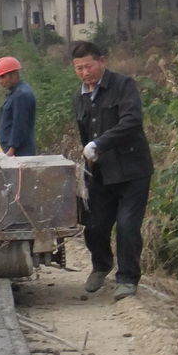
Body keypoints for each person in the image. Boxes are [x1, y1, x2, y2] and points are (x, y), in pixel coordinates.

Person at [70, 41, 154, 301]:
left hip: (132, 171)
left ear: (102, 61)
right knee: (94, 226)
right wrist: (88, 160)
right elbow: (85, 135)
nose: (85, 73)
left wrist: (100, 144)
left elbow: (131, 121)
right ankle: (101, 265)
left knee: (128, 227)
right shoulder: (80, 96)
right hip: (100, 173)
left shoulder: (123, 86)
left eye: (89, 66)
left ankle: (127, 278)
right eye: (79, 68)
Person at [0, 56, 37, 156]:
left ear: (14, 74)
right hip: (9, 151)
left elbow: (20, 125)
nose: (0, 81)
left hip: (19, 154)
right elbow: (10, 115)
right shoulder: (14, 93)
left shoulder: (21, 95)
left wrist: (12, 150)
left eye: (3, 77)